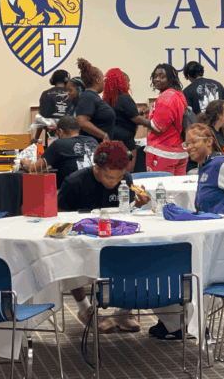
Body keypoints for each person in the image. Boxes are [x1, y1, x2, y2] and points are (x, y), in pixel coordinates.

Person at [145, 123, 224, 340]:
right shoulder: (204, 167)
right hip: (209, 235)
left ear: (209, 141)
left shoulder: (222, 166)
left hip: (223, 240)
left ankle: (181, 322)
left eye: (193, 142)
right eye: (186, 143)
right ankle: (175, 320)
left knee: (173, 264)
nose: (188, 147)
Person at [57, 141, 150, 333]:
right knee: (72, 256)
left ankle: (124, 309)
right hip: (81, 237)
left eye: (118, 178)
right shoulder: (74, 183)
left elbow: (128, 213)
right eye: (109, 176)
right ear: (97, 168)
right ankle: (85, 309)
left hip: (115, 236)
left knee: (134, 252)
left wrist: (139, 205)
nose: (114, 182)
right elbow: (60, 219)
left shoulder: (126, 179)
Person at [20, 116, 99, 188]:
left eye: (57, 133)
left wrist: (24, 162)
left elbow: (35, 169)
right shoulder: (93, 141)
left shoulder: (58, 144)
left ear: (60, 131)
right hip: (95, 191)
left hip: (72, 193)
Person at [103, 68, 153, 172]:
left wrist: (138, 114)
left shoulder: (110, 99)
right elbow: (135, 119)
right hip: (126, 141)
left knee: (115, 168)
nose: (128, 84)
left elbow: (121, 116)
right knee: (127, 171)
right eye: (127, 81)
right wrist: (152, 123)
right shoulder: (124, 98)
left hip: (113, 138)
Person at [146, 63, 188, 175]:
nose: (157, 79)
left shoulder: (167, 96)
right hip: (179, 150)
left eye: (162, 76)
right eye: (155, 76)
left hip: (163, 152)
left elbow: (158, 126)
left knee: (159, 189)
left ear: (170, 78)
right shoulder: (179, 95)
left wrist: (137, 119)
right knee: (178, 189)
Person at [75, 58, 115, 143]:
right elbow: (82, 122)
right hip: (92, 147)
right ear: (98, 80)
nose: (104, 83)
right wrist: (104, 135)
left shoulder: (93, 97)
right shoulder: (88, 97)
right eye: (103, 80)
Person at [186, 99, 224, 174]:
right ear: (219, 115)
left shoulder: (221, 130)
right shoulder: (206, 133)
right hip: (198, 170)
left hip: (212, 167)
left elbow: (222, 150)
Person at [36, 69, 71, 143]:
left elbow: (41, 118)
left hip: (52, 135)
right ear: (67, 80)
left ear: (52, 80)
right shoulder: (72, 93)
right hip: (70, 134)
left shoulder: (46, 94)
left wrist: (36, 138)